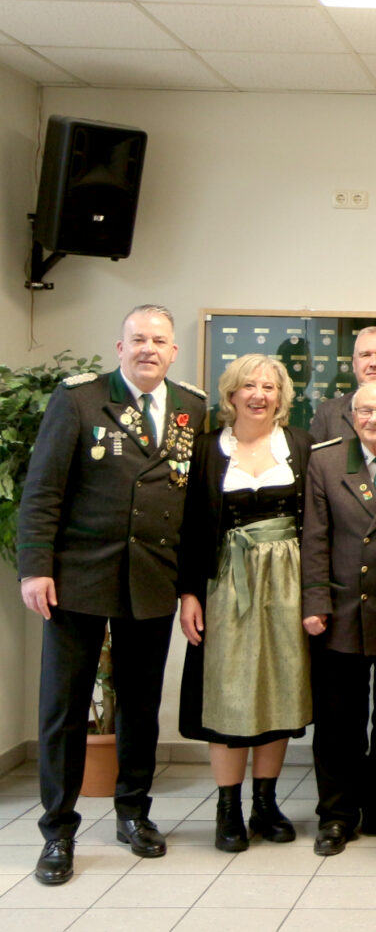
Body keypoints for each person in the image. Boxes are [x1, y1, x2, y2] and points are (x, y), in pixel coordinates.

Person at [18, 304, 207, 886]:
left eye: (159, 340)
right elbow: (43, 489)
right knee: (64, 710)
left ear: (174, 352)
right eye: (138, 339)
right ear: (119, 346)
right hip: (79, 577)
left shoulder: (191, 407)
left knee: (141, 708)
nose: (149, 348)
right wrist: (35, 567)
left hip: (151, 578)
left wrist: (191, 587)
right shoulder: (79, 399)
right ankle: (58, 830)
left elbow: (195, 509)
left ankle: (134, 814)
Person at [177, 353, 314, 854]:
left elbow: (316, 523)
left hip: (289, 583)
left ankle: (266, 802)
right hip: (226, 582)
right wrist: (189, 592)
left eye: (270, 386)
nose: (260, 394)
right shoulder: (208, 449)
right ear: (231, 394)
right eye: (249, 385)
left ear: (282, 397)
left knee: (280, 687)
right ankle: (228, 806)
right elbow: (190, 526)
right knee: (230, 693)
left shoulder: (298, 445)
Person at [300, 382, 376, 855]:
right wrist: (314, 602)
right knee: (338, 720)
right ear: (351, 416)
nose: (373, 419)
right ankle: (337, 814)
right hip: (342, 608)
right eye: (364, 411)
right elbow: (315, 538)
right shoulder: (325, 461)